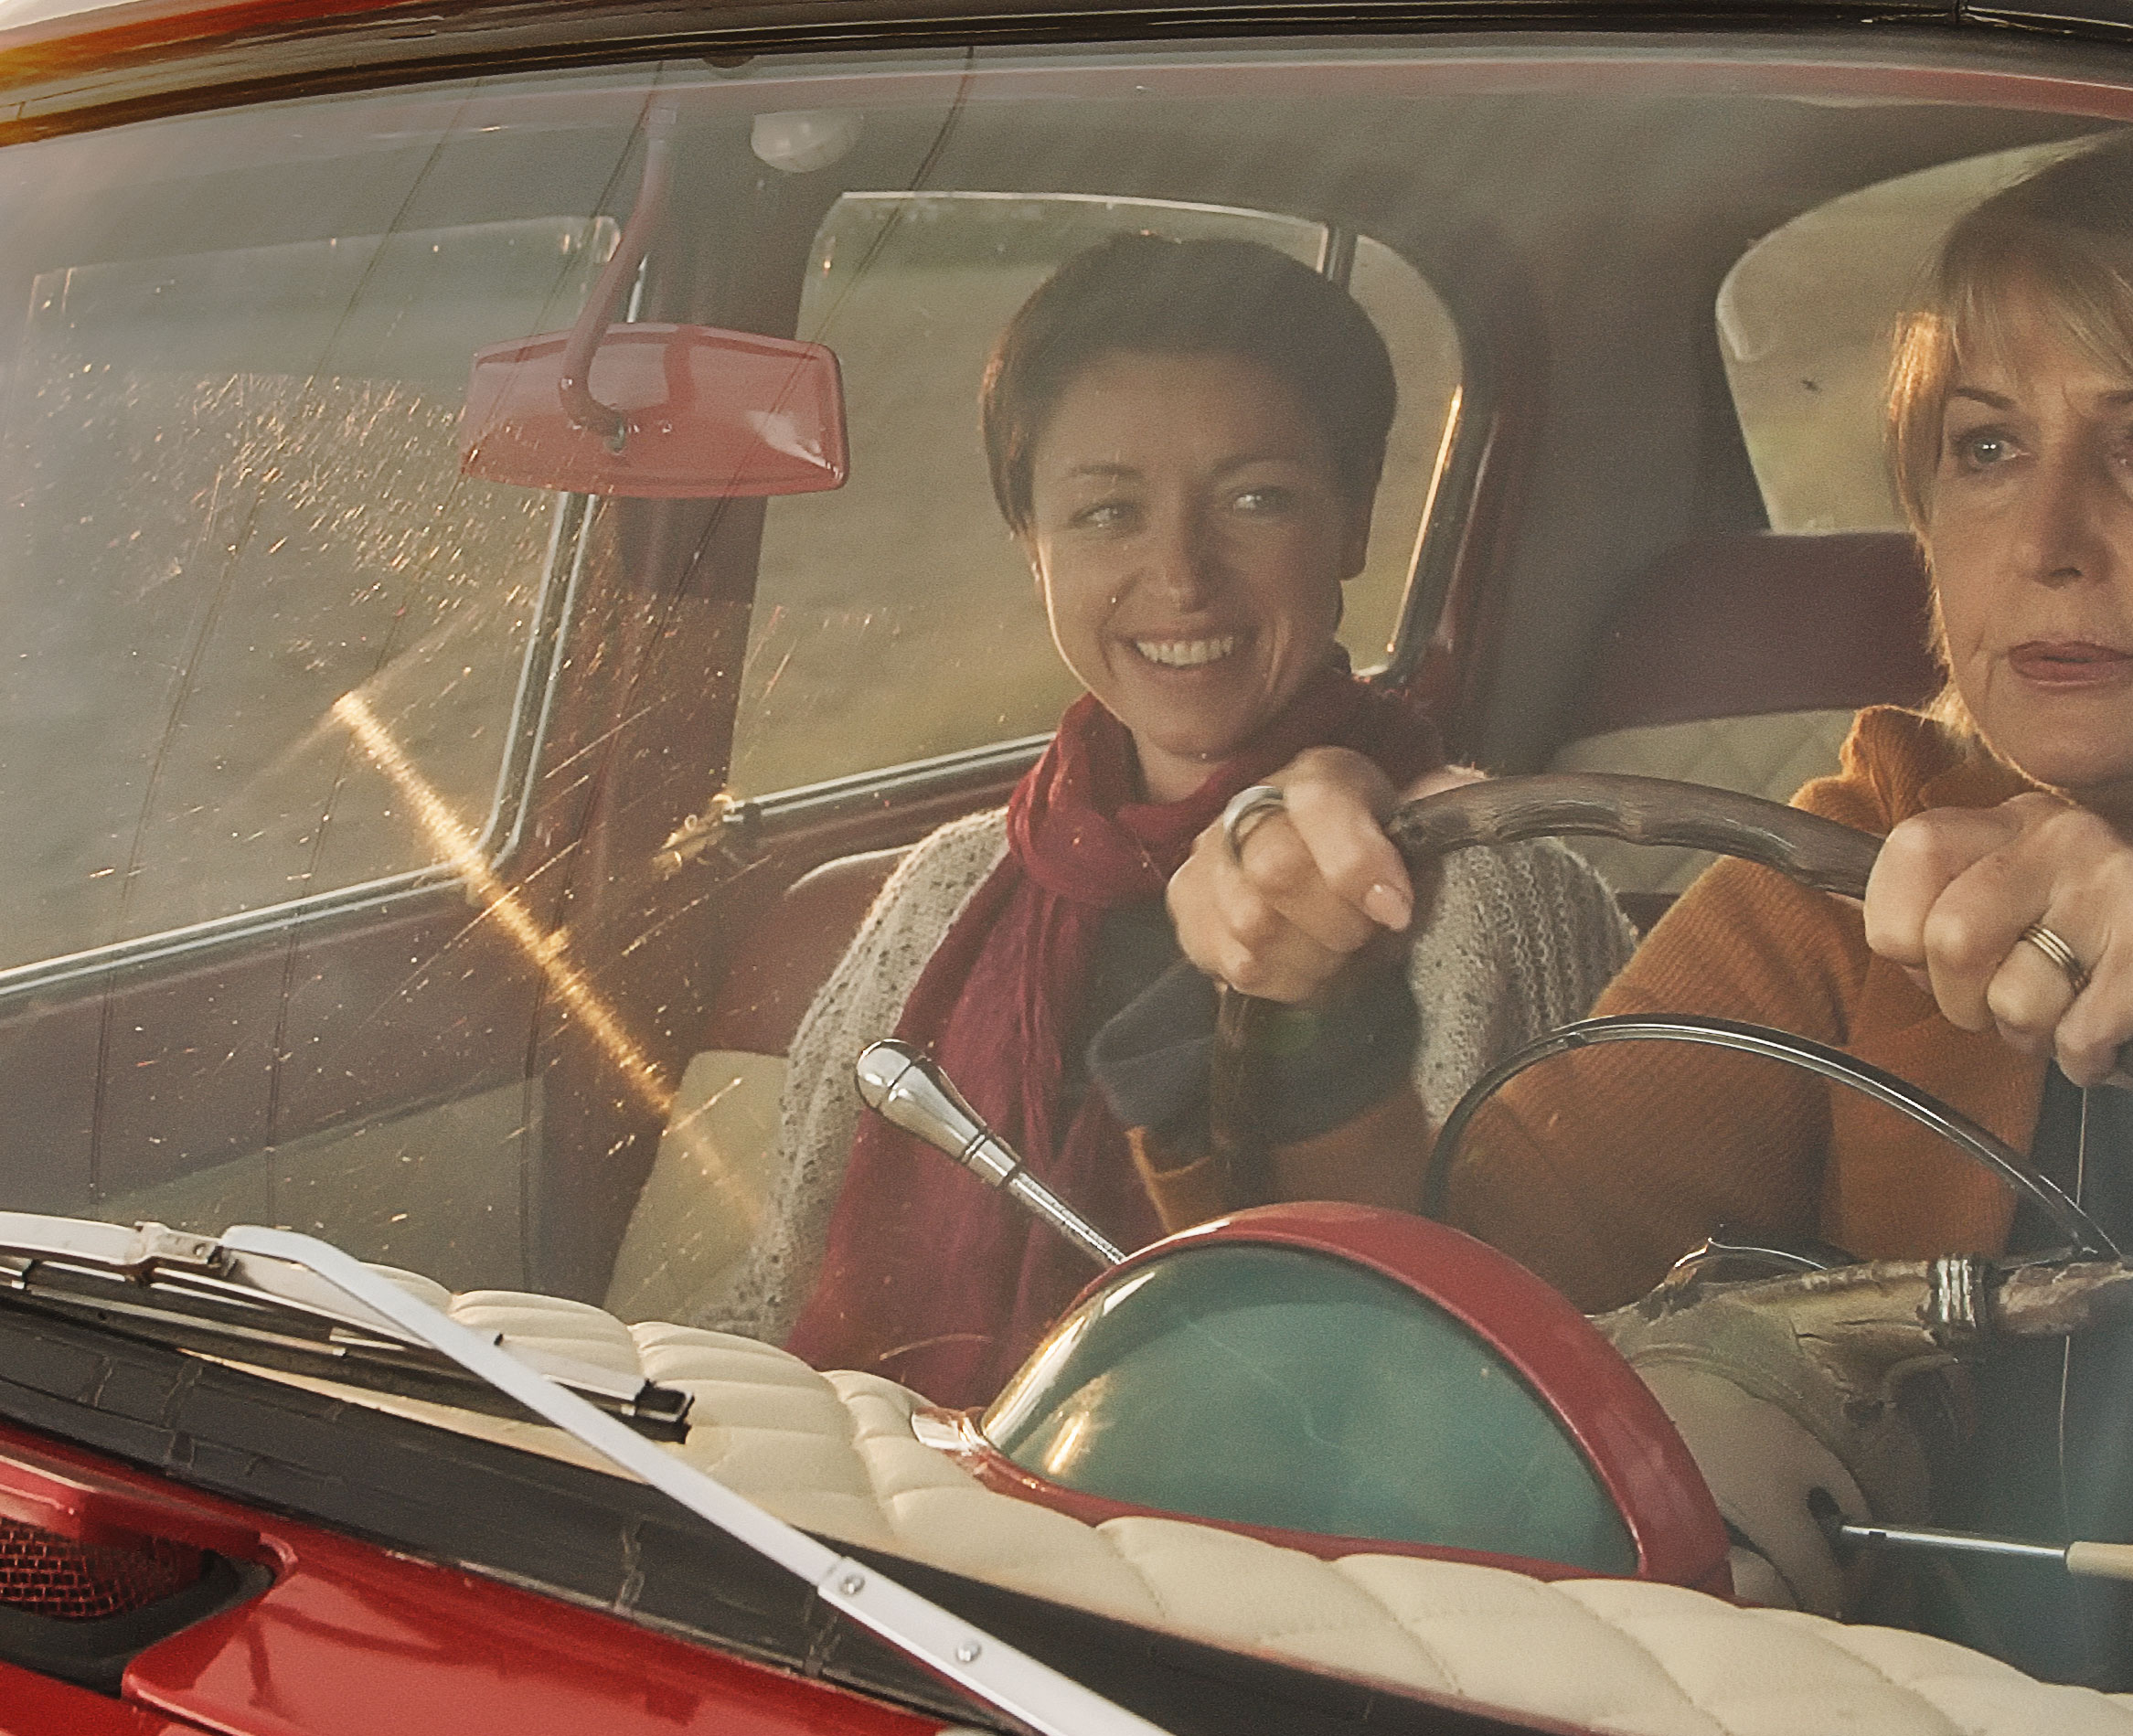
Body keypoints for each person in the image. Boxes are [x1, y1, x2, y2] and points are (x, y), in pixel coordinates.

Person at [1169, 130, 2133, 1712]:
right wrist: (1306, 1004)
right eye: (1985, 447)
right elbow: (1436, 1349)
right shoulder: (1866, 868)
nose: (2041, 539)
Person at [674, 235, 1631, 1408]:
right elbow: (779, 1303)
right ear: (1031, 546)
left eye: (1255, 500)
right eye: (1107, 512)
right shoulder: (939, 894)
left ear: (1353, 522)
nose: (1181, 574)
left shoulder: (1505, 888)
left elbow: (1576, 1369)